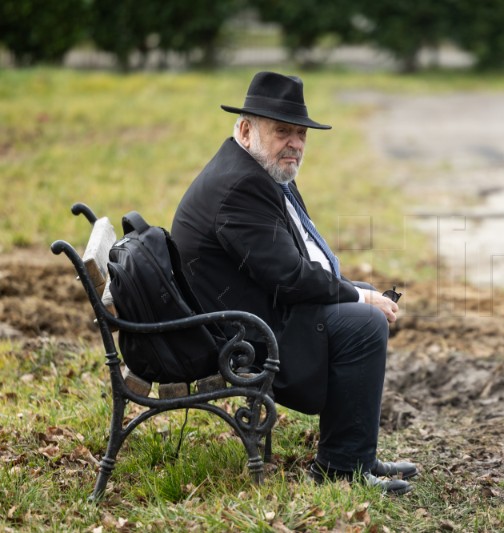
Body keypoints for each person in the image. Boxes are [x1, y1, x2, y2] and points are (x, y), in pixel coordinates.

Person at [171, 72, 417, 495]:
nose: (295, 144)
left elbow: (294, 263)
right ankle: (342, 468)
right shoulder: (242, 185)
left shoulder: (257, 169)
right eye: (282, 131)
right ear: (247, 130)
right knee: (364, 323)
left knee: (362, 305)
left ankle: (354, 452)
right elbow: (288, 276)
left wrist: (356, 289)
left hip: (247, 312)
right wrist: (359, 296)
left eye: (301, 134)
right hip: (242, 336)